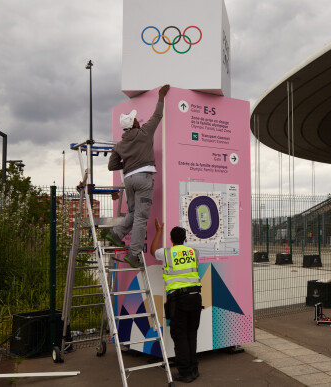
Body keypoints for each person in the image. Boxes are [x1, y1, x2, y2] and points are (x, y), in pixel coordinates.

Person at [106, 84, 170, 267]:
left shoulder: (119, 145)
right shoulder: (144, 133)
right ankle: (134, 254)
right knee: (141, 217)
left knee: (134, 212)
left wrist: (127, 162)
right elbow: (157, 116)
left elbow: (112, 166)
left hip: (128, 179)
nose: (137, 121)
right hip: (143, 178)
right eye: (135, 119)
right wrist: (161, 96)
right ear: (134, 124)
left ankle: (116, 234)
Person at [151, 218, 202, 383]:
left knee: (179, 336)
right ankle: (194, 370)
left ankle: (185, 373)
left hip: (179, 300)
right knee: (191, 334)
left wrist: (159, 231)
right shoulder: (194, 252)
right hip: (195, 297)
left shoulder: (166, 253)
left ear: (171, 239)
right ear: (184, 239)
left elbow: (152, 251)